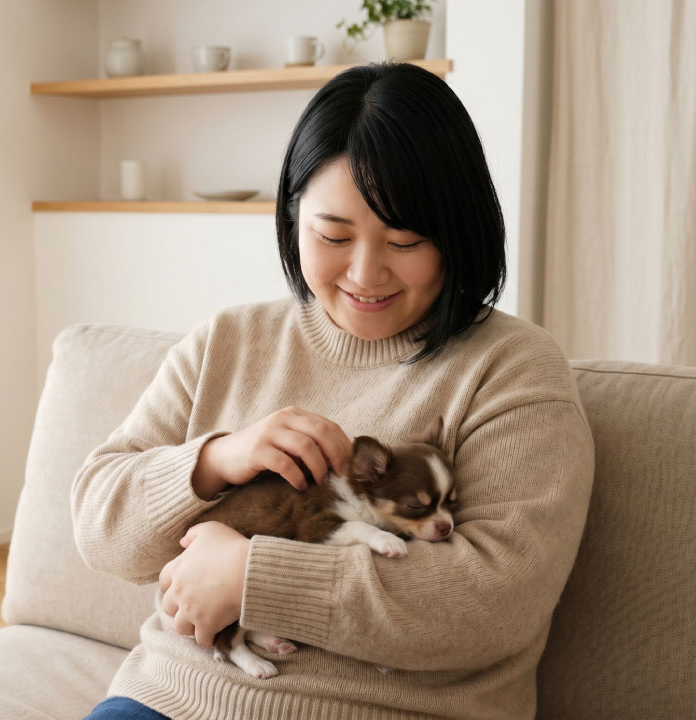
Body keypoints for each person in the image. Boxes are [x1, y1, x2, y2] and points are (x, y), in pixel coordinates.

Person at [71, 61, 595, 720]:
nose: (365, 272)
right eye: (333, 236)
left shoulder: (512, 370)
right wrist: (214, 460)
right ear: (293, 218)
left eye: (405, 240)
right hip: (174, 699)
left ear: (457, 233)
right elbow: (98, 530)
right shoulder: (226, 341)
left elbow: (496, 603)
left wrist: (253, 579)